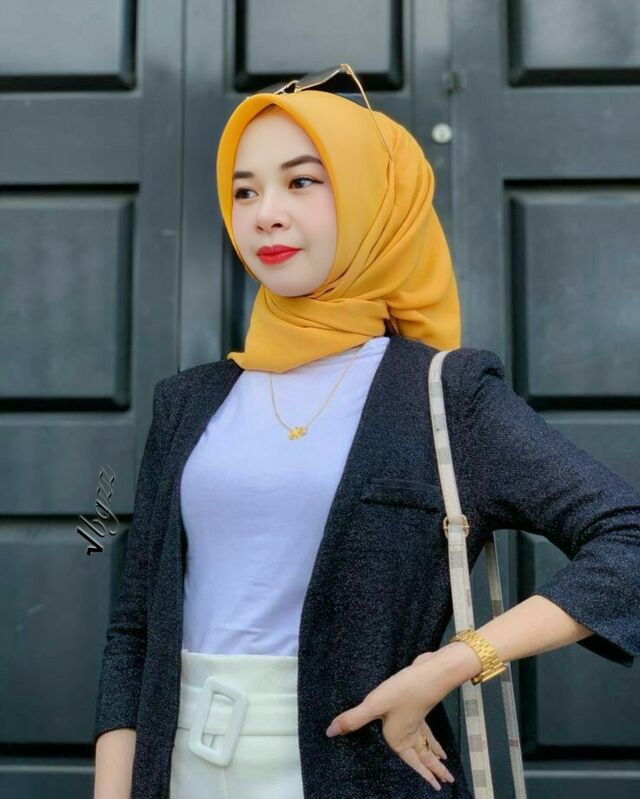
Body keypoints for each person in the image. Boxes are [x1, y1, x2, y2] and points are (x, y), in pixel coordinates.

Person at [94, 86, 640, 799]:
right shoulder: (188, 401)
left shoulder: (444, 394)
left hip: (360, 772)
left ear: (372, 199)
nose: (266, 213)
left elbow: (626, 538)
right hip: (178, 771)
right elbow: (134, 629)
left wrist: (456, 661)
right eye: (245, 190)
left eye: (301, 182)